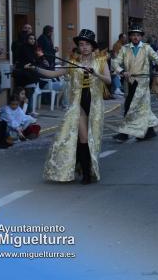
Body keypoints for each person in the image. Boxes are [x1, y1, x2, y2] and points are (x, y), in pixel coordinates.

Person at [31, 29, 111, 184]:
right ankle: (86, 174)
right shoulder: (73, 63)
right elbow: (53, 74)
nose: (84, 47)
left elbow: (108, 80)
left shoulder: (101, 61)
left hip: (95, 105)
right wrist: (35, 69)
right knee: (83, 138)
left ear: (93, 46)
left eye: (87, 44)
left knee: (93, 139)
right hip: (78, 105)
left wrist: (96, 74)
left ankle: (83, 167)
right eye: (81, 44)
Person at [111, 25, 158, 142]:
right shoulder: (125, 48)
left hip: (143, 82)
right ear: (130, 36)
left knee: (131, 106)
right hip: (130, 81)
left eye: (138, 35)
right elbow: (115, 62)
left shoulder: (147, 48)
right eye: (133, 35)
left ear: (141, 37)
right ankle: (148, 131)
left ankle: (124, 134)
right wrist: (122, 71)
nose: (135, 37)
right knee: (141, 107)